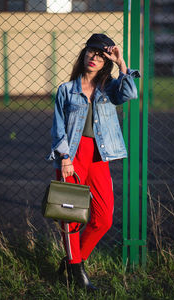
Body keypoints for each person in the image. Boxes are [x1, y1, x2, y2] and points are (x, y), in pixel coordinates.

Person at [48, 33, 140, 289]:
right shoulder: (66, 90)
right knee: (71, 216)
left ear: (105, 61)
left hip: (100, 156)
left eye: (101, 56)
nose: (95, 58)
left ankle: (71, 262)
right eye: (92, 52)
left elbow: (130, 94)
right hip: (73, 157)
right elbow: (58, 128)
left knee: (103, 218)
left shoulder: (109, 88)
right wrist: (65, 157)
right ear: (84, 53)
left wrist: (122, 64)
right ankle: (78, 275)